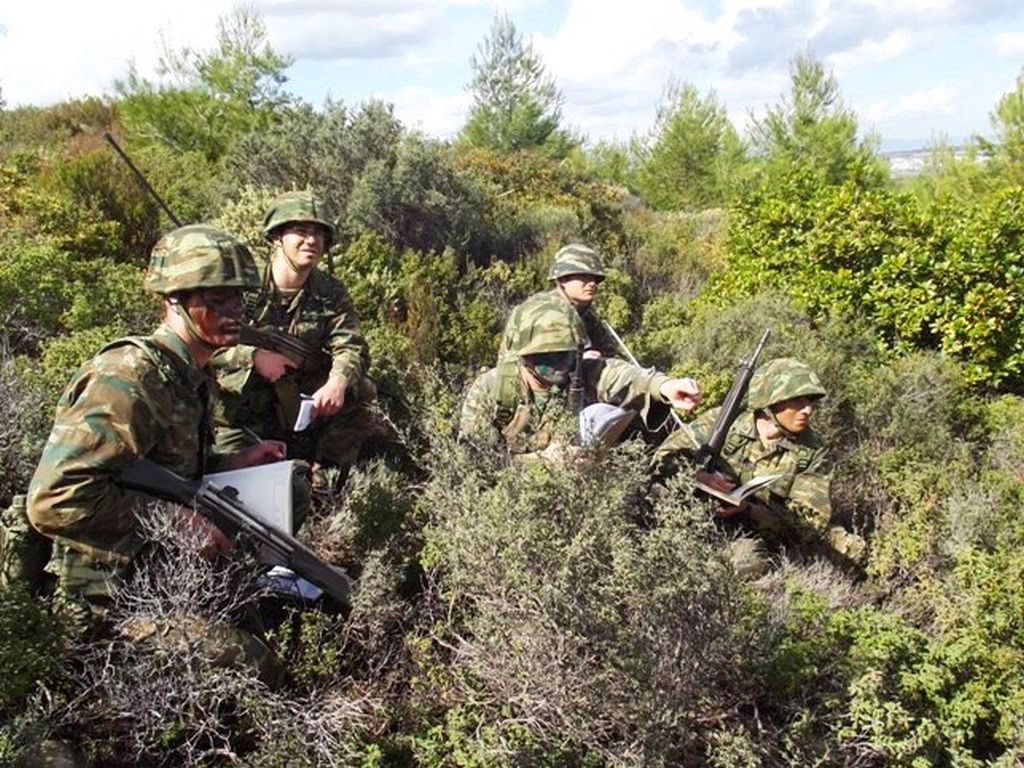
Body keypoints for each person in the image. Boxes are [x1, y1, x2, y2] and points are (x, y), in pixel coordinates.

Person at [27, 224, 289, 684]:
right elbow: (55, 501)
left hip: (156, 565)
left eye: (238, 299)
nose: (234, 312)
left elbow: (168, 469)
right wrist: (175, 521)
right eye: (215, 300)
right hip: (103, 595)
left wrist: (233, 463)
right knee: (258, 666)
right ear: (174, 300)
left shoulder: (189, 372)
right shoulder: (131, 376)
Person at [210, 191, 374, 486]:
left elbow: (351, 344)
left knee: (362, 391)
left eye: (318, 233)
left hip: (294, 402)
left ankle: (323, 475)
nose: (311, 240)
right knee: (239, 487)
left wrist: (337, 381)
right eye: (300, 231)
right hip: (237, 408)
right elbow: (202, 339)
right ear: (276, 237)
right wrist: (253, 357)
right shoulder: (242, 282)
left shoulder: (329, 290)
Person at [652, 357, 866, 574]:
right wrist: (697, 475)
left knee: (742, 565)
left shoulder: (813, 451)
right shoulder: (722, 422)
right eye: (798, 401)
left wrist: (749, 509)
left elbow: (808, 522)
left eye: (810, 401)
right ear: (770, 401)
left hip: (747, 530)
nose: (807, 410)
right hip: (689, 508)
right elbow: (663, 459)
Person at [462, 298, 701, 457]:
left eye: (567, 354)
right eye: (546, 357)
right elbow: (478, 460)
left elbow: (620, 376)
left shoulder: (581, 372)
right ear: (523, 355)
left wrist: (665, 386)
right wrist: (539, 462)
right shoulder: (491, 389)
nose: (559, 366)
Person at [498, 243, 619, 361]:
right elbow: (545, 367)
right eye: (584, 276)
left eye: (595, 278)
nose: (592, 283)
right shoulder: (545, 312)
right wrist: (582, 362)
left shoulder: (585, 315)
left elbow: (610, 353)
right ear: (563, 279)